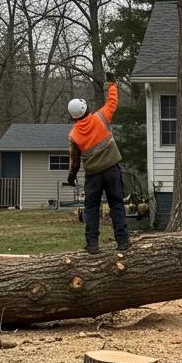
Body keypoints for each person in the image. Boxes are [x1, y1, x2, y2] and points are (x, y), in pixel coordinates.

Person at [66, 71, 130, 254]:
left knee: (91, 208)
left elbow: (75, 161)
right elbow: (112, 103)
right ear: (86, 109)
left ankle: (93, 245)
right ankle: (123, 242)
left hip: (93, 175)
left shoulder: (74, 135)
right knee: (116, 204)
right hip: (112, 170)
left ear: (73, 117)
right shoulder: (100, 118)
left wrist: (71, 178)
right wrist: (112, 85)